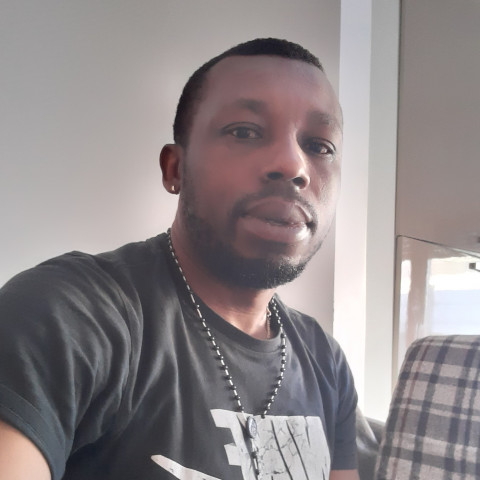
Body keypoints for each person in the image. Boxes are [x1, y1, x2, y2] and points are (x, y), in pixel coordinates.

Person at [0, 38, 359, 480]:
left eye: (320, 145)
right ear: (175, 169)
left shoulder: (327, 363)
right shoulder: (66, 314)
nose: (293, 165)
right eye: (245, 131)